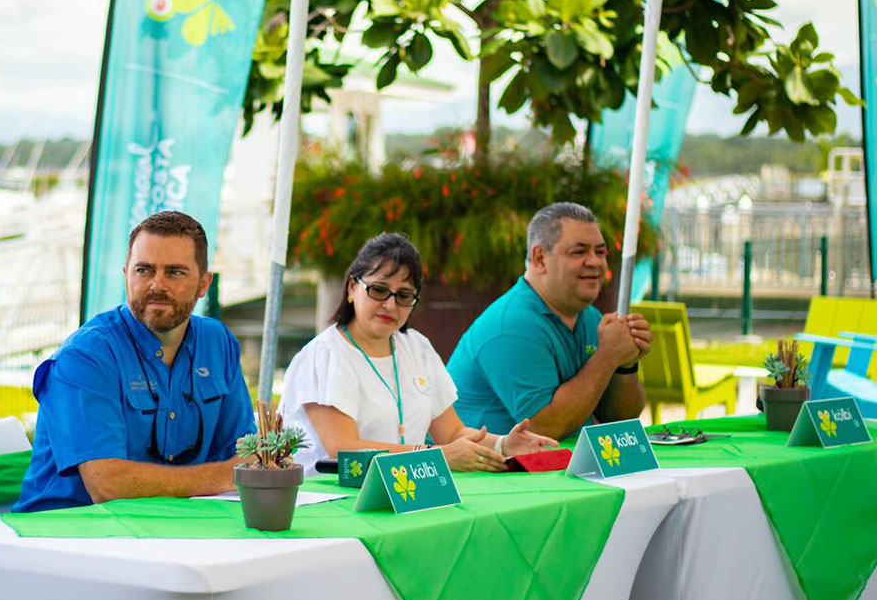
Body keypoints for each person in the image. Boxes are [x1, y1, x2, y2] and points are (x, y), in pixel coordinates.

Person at [14, 211, 255, 512]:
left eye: (175, 272)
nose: (157, 285)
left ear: (204, 284)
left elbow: (247, 452)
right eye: (144, 270)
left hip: (171, 522)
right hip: (65, 529)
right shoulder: (86, 356)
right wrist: (227, 476)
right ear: (126, 274)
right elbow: (108, 484)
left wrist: (257, 464)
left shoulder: (217, 342)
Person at [279, 233, 558, 475]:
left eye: (403, 296)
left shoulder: (416, 347)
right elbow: (344, 450)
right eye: (379, 290)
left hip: (404, 489)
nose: (390, 305)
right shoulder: (326, 355)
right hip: (330, 500)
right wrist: (438, 456)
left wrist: (503, 445)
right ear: (353, 287)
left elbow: (452, 433)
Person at [447, 202, 652, 440]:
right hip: (483, 463)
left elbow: (621, 419)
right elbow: (544, 429)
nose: (595, 262)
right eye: (579, 252)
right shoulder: (512, 326)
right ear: (540, 258)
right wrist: (607, 356)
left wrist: (625, 364)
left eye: (600, 252)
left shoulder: (591, 319)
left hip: (550, 460)